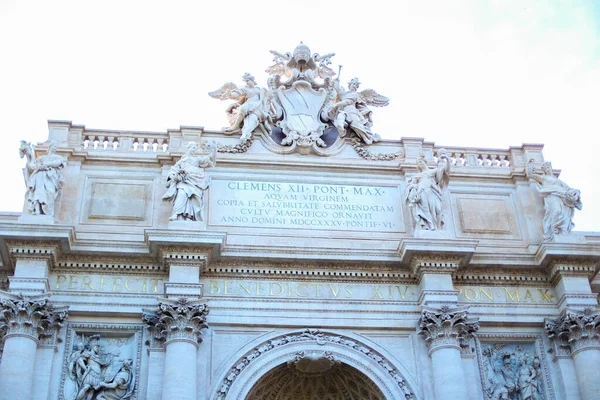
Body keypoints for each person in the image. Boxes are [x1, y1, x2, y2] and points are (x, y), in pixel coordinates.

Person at [527, 161, 582, 241]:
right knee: (556, 210)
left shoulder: (557, 180)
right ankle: (553, 230)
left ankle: (562, 231)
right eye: (546, 168)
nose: (548, 169)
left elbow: (568, 189)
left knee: (564, 214)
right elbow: (531, 175)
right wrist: (530, 165)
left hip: (562, 196)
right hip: (552, 195)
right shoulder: (543, 178)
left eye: (549, 167)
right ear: (544, 170)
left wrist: (575, 193)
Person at [162, 140, 216, 221]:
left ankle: (190, 216)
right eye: (193, 148)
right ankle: (177, 214)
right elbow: (173, 170)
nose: (195, 150)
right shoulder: (181, 161)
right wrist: (174, 176)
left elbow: (209, 158)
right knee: (181, 194)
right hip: (184, 181)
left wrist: (213, 149)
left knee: (193, 199)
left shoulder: (197, 159)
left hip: (195, 182)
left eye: (196, 149)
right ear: (188, 148)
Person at [210, 73, 272, 141]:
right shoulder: (245, 89)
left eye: (248, 80)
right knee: (243, 109)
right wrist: (229, 94)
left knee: (251, 120)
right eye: (245, 81)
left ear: (252, 80)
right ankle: (236, 126)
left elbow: (268, 101)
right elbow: (236, 94)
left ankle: (245, 134)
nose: (247, 83)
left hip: (259, 109)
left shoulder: (260, 89)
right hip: (249, 107)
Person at [404, 152, 451, 231]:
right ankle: (430, 225)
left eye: (420, 162)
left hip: (433, 191)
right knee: (426, 210)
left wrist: (447, 160)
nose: (419, 164)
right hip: (422, 192)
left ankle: (438, 227)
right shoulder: (416, 176)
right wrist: (412, 187)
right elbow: (411, 186)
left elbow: (445, 170)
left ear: (425, 162)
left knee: (438, 209)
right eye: (418, 163)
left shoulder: (434, 171)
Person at [20, 140, 67, 216]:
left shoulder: (58, 157)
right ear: (50, 147)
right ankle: (37, 210)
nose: (55, 148)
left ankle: (47, 212)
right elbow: (33, 166)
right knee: (39, 192)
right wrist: (29, 155)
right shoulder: (42, 158)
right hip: (40, 175)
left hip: (51, 177)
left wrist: (46, 165)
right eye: (54, 146)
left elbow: (58, 163)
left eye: (56, 147)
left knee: (50, 191)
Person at [333, 78, 382, 145]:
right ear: (350, 84)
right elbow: (337, 90)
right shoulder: (344, 93)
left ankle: (366, 138)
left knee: (355, 125)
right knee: (340, 116)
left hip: (352, 111)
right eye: (353, 84)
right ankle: (341, 129)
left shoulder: (355, 94)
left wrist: (337, 104)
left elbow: (348, 101)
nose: (354, 86)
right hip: (343, 110)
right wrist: (337, 82)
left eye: (356, 85)